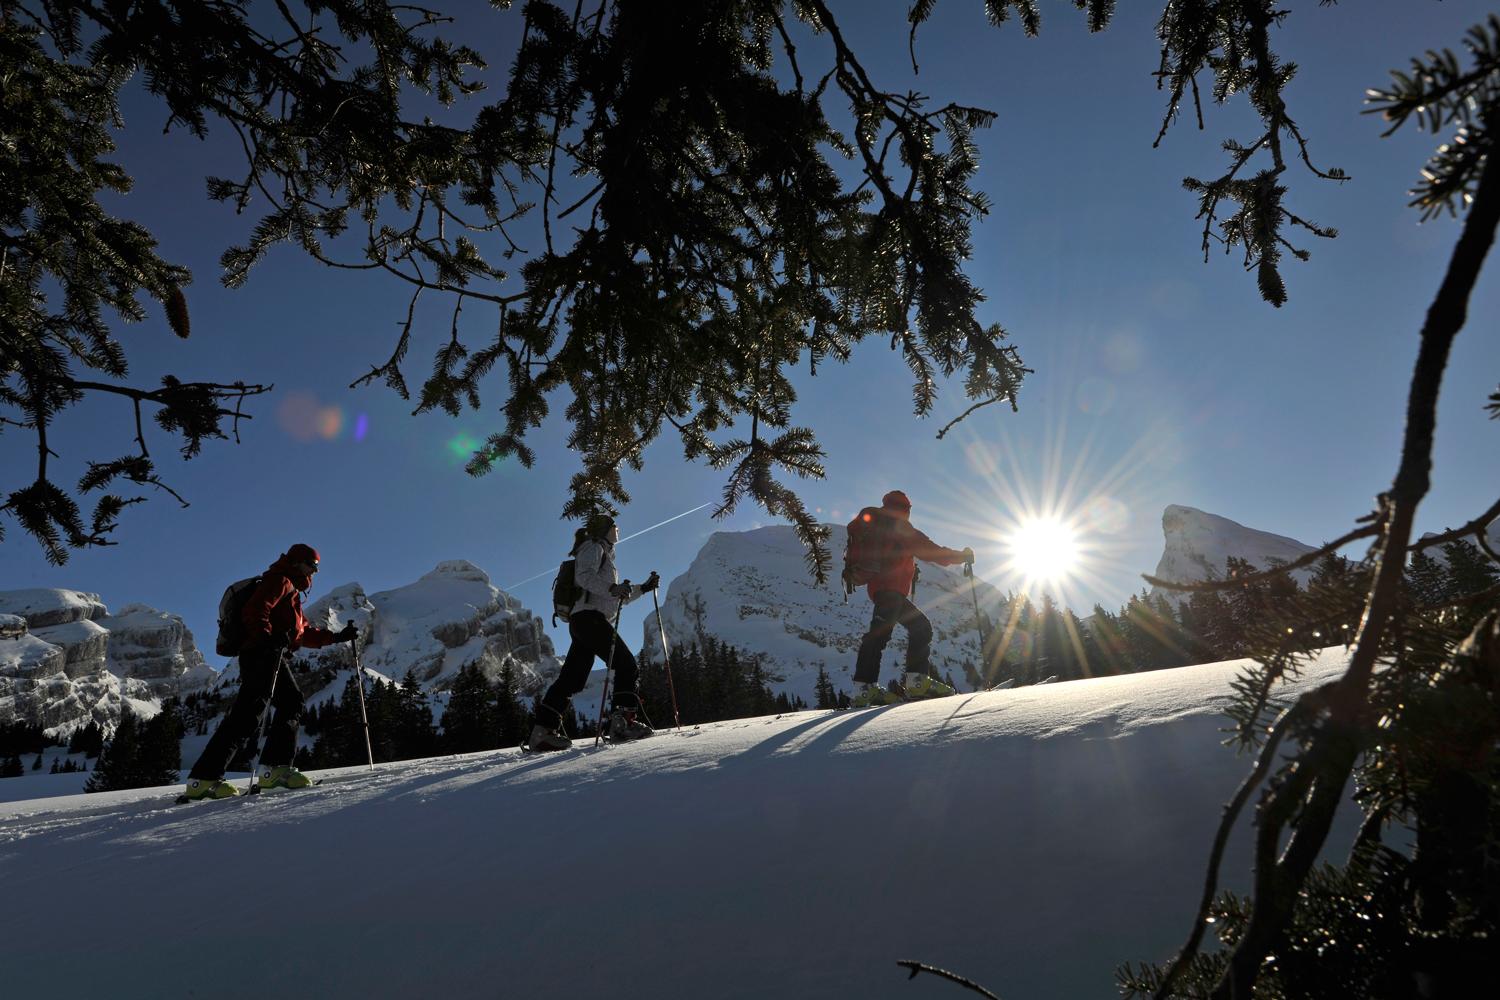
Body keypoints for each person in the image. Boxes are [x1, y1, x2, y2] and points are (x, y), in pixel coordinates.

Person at [184, 544, 356, 799]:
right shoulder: (279, 581)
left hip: (266, 652)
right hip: (262, 653)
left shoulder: (291, 592)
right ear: (297, 562)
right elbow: (255, 611)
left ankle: (205, 779)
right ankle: (272, 771)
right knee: (281, 705)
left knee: (253, 713)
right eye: (312, 565)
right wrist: (267, 638)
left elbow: (301, 633)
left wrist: (337, 637)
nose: (315, 572)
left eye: (317, 567)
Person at [529, 514, 659, 751]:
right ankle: (622, 724)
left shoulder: (603, 552)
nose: (618, 530)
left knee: (572, 679)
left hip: (584, 621)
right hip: (590, 619)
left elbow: (613, 596)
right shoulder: (594, 546)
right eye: (614, 526)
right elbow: (585, 577)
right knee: (626, 664)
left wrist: (643, 588)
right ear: (604, 529)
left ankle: (542, 733)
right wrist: (613, 587)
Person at [850, 490, 974, 708]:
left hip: (885, 591)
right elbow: (932, 551)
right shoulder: (900, 527)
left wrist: (907, 568)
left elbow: (890, 556)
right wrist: (962, 556)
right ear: (905, 509)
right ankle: (868, 688)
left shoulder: (879, 527)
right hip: (890, 591)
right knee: (880, 635)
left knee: (920, 628)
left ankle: (912, 682)